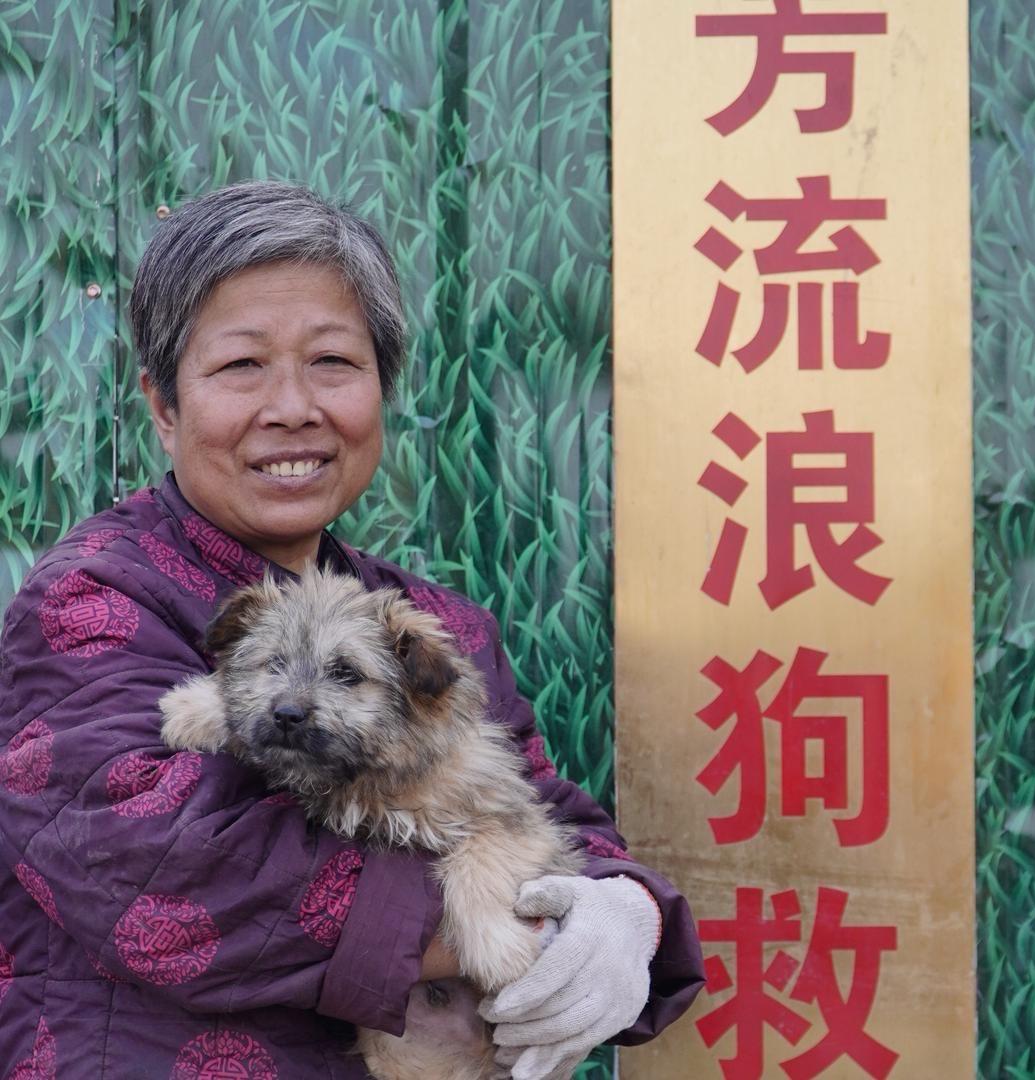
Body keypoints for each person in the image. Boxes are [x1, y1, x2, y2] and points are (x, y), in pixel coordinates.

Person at [0, 181, 704, 1078]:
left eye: (333, 361)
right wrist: (494, 920)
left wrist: (621, 909)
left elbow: (538, 808)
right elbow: (159, 874)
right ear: (163, 405)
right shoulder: (95, 601)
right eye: (240, 366)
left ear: (382, 390)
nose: (293, 406)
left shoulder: (438, 628)